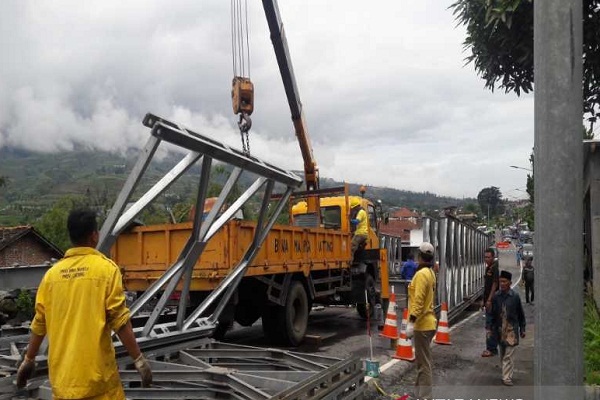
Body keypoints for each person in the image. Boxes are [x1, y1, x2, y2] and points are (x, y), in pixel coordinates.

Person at [16, 208, 152, 399]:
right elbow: (120, 321)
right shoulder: (106, 270)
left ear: (71, 235)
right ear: (94, 236)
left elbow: (40, 324)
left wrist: (29, 360)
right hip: (99, 383)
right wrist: (138, 360)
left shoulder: (51, 276)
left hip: (63, 384)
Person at [405, 242, 437, 400]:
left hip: (422, 325)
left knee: (424, 365)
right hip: (428, 323)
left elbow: (418, 301)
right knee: (422, 363)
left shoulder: (421, 274)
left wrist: (411, 322)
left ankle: (425, 396)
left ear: (419, 256)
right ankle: (419, 394)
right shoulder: (429, 272)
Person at [486, 270, 526, 386]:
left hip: (511, 331)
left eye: (504, 281)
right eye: (501, 281)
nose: (502, 284)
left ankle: (507, 377)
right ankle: (505, 373)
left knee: (509, 355)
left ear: (510, 282)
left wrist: (522, 328)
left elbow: (520, 314)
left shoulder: (515, 297)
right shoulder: (496, 297)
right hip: (499, 330)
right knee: (503, 354)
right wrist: (489, 328)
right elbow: (491, 314)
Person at [481, 247, 499, 357]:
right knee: (492, 325)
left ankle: (491, 349)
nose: (486, 259)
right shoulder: (488, 268)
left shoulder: (494, 268)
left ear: (493, 257)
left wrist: (489, 300)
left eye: (488, 257)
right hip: (488, 300)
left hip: (492, 302)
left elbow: (494, 284)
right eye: (485, 257)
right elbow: (486, 286)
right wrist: (483, 300)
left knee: (490, 325)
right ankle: (493, 347)